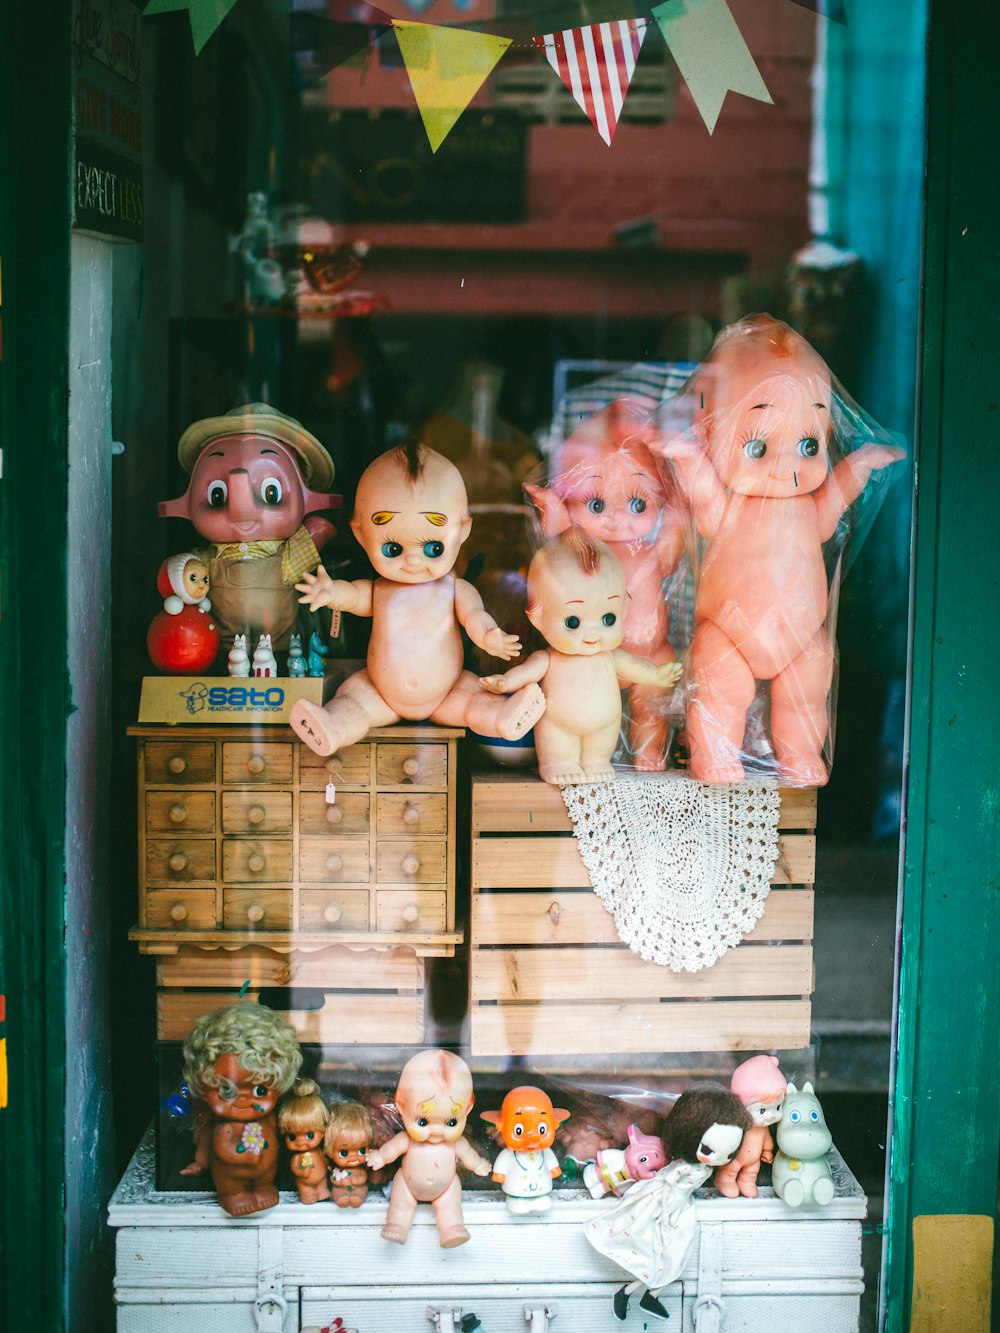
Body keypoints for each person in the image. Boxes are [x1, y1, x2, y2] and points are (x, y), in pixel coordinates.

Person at [290, 441, 544, 756]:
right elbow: (354, 596)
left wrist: (488, 635)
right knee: (353, 698)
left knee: (473, 699)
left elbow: (474, 615)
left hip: (446, 692)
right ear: (359, 535)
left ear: (462, 531)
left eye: (432, 548)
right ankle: (332, 726)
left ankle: (503, 718)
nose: (412, 560)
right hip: (381, 693)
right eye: (392, 549)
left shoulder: (453, 589)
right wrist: (332, 593)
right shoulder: (379, 590)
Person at [479, 527, 681, 785]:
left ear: (624, 607)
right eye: (573, 622)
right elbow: (526, 673)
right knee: (558, 745)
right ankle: (557, 762)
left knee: (599, 750)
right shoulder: (550, 658)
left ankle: (596, 761)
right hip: (558, 727)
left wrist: (656, 674)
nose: (592, 634)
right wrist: (505, 683)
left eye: (608, 619)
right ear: (537, 616)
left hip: (604, 727)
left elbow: (635, 668)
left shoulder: (610, 656)